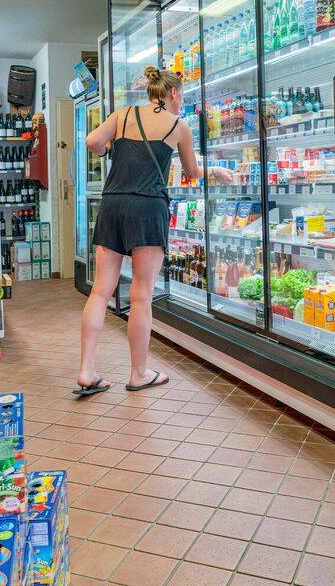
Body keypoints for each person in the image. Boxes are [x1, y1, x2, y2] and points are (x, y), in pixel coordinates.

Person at [75, 66, 231, 396]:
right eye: (183, 96)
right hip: (148, 208)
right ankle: (138, 373)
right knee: (141, 293)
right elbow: (191, 171)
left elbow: (92, 141)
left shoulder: (124, 114)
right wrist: (216, 170)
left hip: (112, 204)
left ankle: (87, 371)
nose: (182, 102)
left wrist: (107, 151)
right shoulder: (178, 126)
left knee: (101, 291)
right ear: (173, 93)